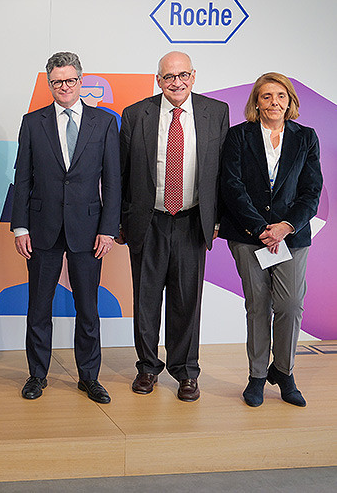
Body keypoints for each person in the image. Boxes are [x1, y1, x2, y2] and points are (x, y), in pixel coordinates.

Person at [119, 52, 229, 401]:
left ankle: (185, 372)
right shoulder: (136, 114)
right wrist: (121, 220)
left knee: (187, 301)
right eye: (168, 76)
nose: (176, 82)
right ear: (158, 80)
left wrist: (218, 219)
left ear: (194, 76)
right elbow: (120, 173)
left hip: (192, 222)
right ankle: (148, 368)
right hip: (147, 221)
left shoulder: (216, 113)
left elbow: (224, 172)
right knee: (146, 300)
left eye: (182, 75)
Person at [11, 52, 120, 404]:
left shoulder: (104, 123)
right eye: (57, 81)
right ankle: (36, 375)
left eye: (70, 80)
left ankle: (89, 377)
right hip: (41, 228)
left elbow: (113, 181)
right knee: (38, 307)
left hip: (89, 230)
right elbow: (22, 177)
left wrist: (108, 228)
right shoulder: (32, 122)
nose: (64, 87)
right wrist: (19, 226)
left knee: (88, 308)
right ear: (49, 83)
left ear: (81, 80)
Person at [219, 73, 322, 407]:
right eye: (266, 96)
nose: (274, 102)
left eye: (280, 96)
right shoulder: (238, 136)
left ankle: (285, 371)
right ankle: (257, 376)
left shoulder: (306, 137)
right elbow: (232, 187)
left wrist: (285, 226)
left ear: (290, 101)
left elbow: (311, 190)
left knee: (290, 306)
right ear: (256, 102)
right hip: (249, 236)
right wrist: (262, 228)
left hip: (291, 237)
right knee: (258, 306)